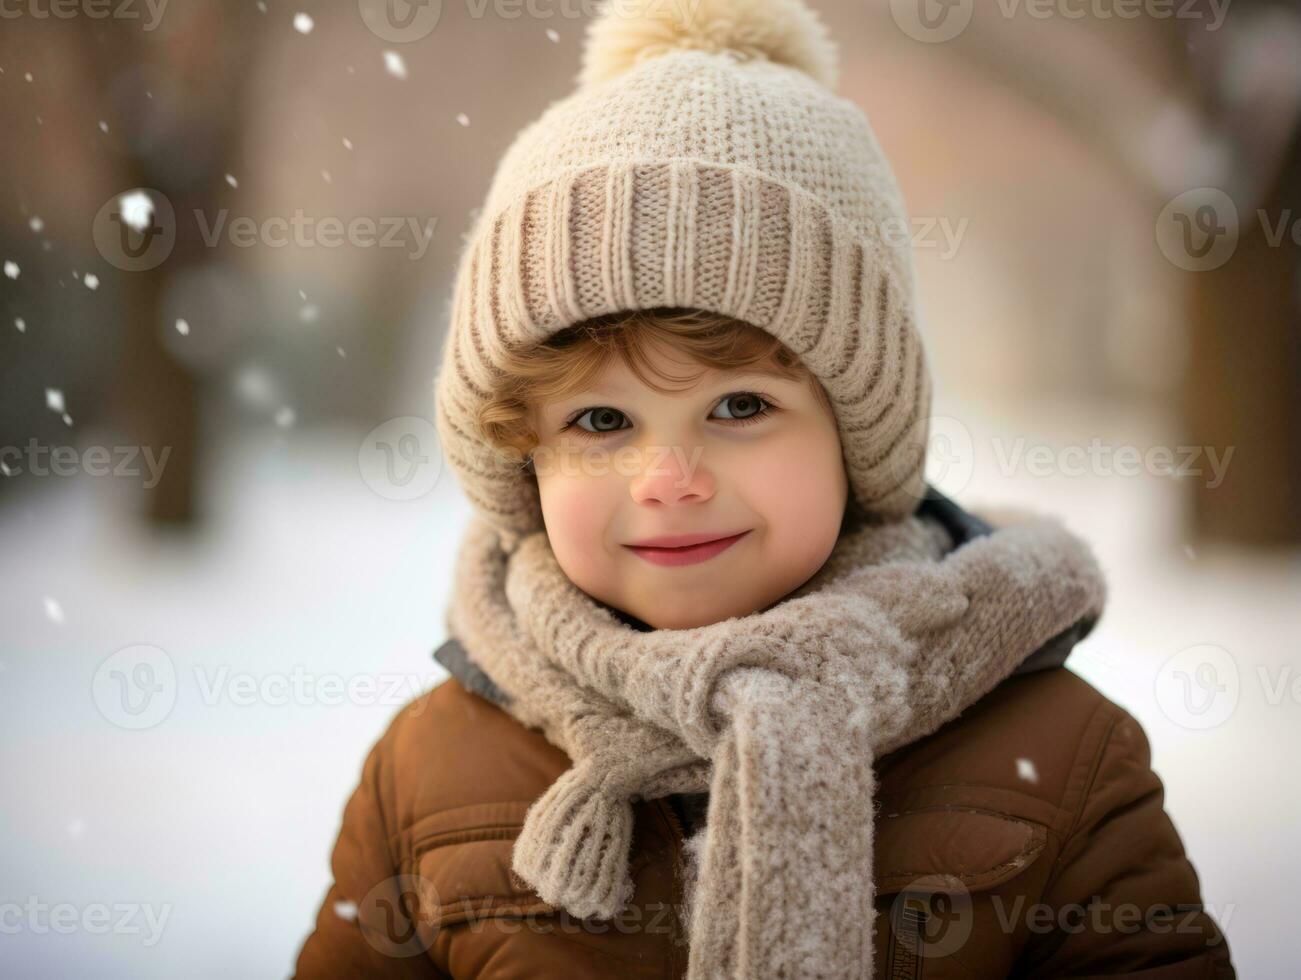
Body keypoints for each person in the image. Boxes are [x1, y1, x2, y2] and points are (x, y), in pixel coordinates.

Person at [295, 0, 1235, 975]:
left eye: (739, 406)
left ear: (855, 434)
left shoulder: (1055, 756)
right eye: (601, 420)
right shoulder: (432, 772)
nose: (668, 479)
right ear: (519, 454)